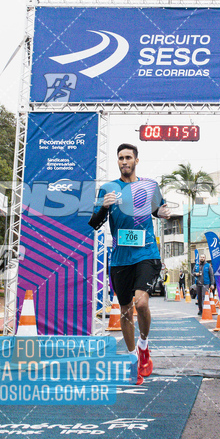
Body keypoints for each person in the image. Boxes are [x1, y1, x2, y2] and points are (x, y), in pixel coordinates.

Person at [89, 143, 170, 385]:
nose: (124, 161)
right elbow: (94, 223)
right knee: (125, 310)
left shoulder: (149, 186)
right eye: (121, 158)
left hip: (146, 252)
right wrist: (104, 207)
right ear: (118, 161)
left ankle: (144, 345)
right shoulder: (108, 188)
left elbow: (158, 210)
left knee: (141, 301)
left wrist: (163, 213)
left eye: (128, 157)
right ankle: (134, 358)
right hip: (120, 258)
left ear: (136, 160)